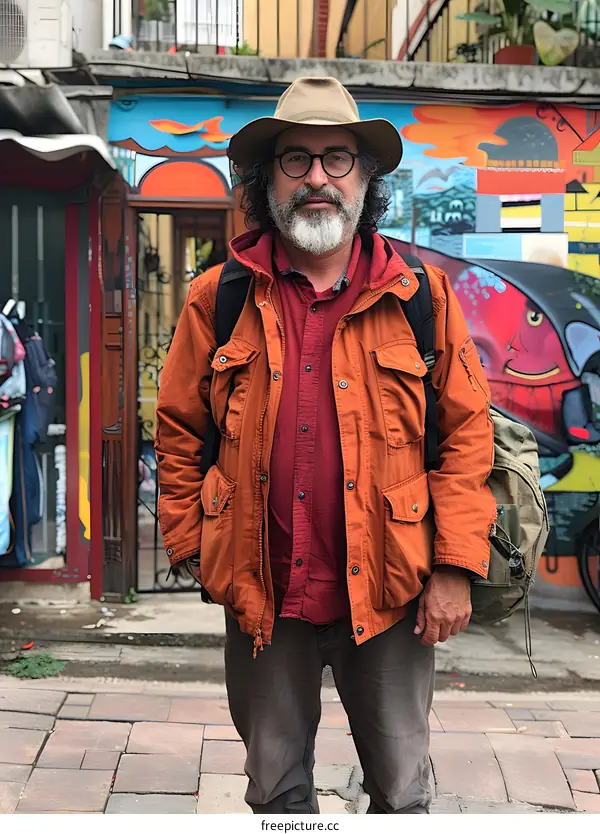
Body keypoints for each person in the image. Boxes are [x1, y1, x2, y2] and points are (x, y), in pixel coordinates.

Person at [155, 77, 496, 814]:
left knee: (403, 792)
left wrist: (456, 570)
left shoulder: (421, 298)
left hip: (396, 590)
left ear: (365, 179)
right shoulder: (218, 298)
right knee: (276, 793)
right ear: (265, 179)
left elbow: (467, 441)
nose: (317, 178)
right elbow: (180, 430)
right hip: (264, 597)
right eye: (296, 159)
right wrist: (191, 543)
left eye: (337, 159)